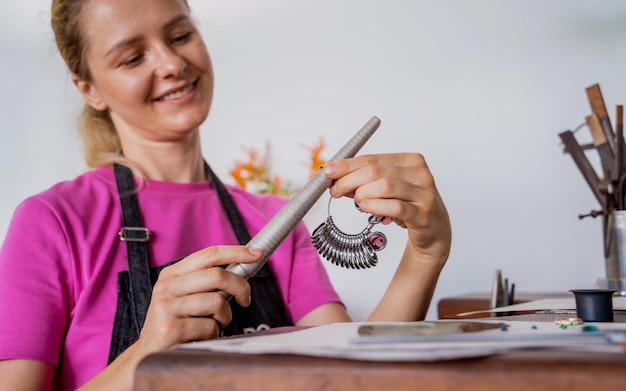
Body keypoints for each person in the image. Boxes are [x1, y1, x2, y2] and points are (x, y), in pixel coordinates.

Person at [0, 0, 452, 390]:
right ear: (89, 89)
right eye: (133, 58)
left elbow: (353, 372)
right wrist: (147, 351)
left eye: (179, 35)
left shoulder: (275, 219)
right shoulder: (52, 222)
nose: (172, 63)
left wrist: (426, 254)